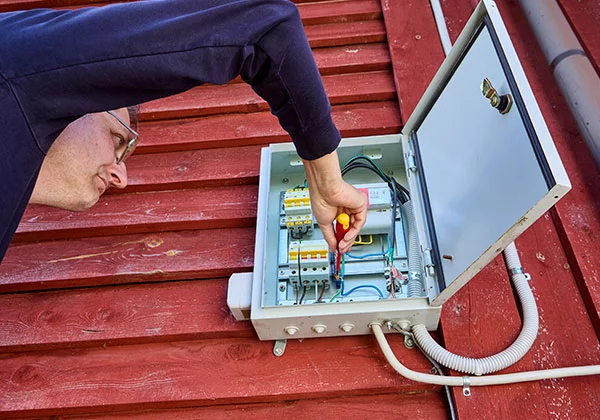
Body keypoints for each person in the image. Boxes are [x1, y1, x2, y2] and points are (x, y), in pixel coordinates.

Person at [0, 0, 366, 263]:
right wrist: (327, 180)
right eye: (117, 140)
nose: (120, 177)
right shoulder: (13, 61)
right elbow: (265, 28)